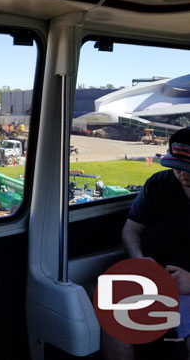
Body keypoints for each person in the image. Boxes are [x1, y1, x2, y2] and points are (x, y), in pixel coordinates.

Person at [103, 127, 190, 360]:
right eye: (177, 167)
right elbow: (131, 230)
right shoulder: (157, 185)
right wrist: (139, 260)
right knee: (113, 312)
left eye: (188, 169)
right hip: (154, 279)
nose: (182, 174)